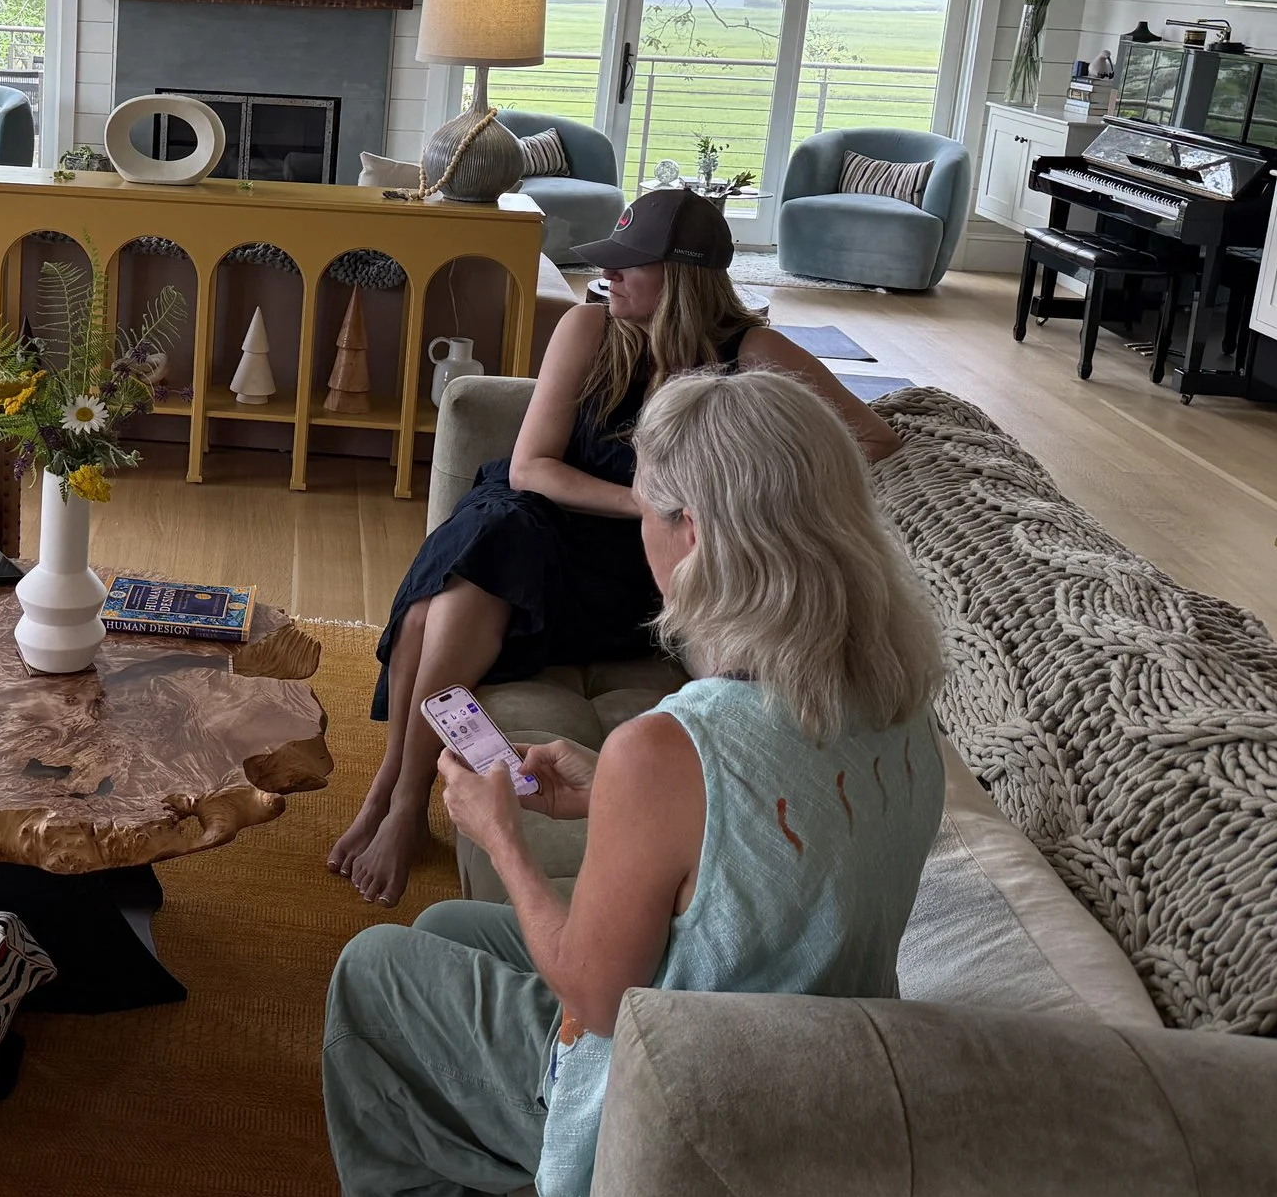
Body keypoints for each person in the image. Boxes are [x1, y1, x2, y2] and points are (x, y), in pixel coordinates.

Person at [321, 367, 946, 1197]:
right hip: (808, 1054)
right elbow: (749, 850)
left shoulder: (675, 744)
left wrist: (502, 834)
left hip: (687, 1104)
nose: (640, 530)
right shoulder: (896, 695)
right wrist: (606, 787)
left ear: (692, 532)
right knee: (448, 926)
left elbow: (598, 997)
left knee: (372, 972)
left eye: (648, 508)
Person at [330, 188, 900, 905]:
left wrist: (742, 490)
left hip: (629, 571)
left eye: (634, 264)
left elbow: (872, 437)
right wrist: (649, 501)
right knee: (489, 544)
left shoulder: (749, 353)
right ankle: (401, 796)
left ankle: (396, 790)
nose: (613, 276)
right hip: (540, 518)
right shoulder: (588, 327)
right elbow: (530, 466)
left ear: (684, 275)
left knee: (432, 611)